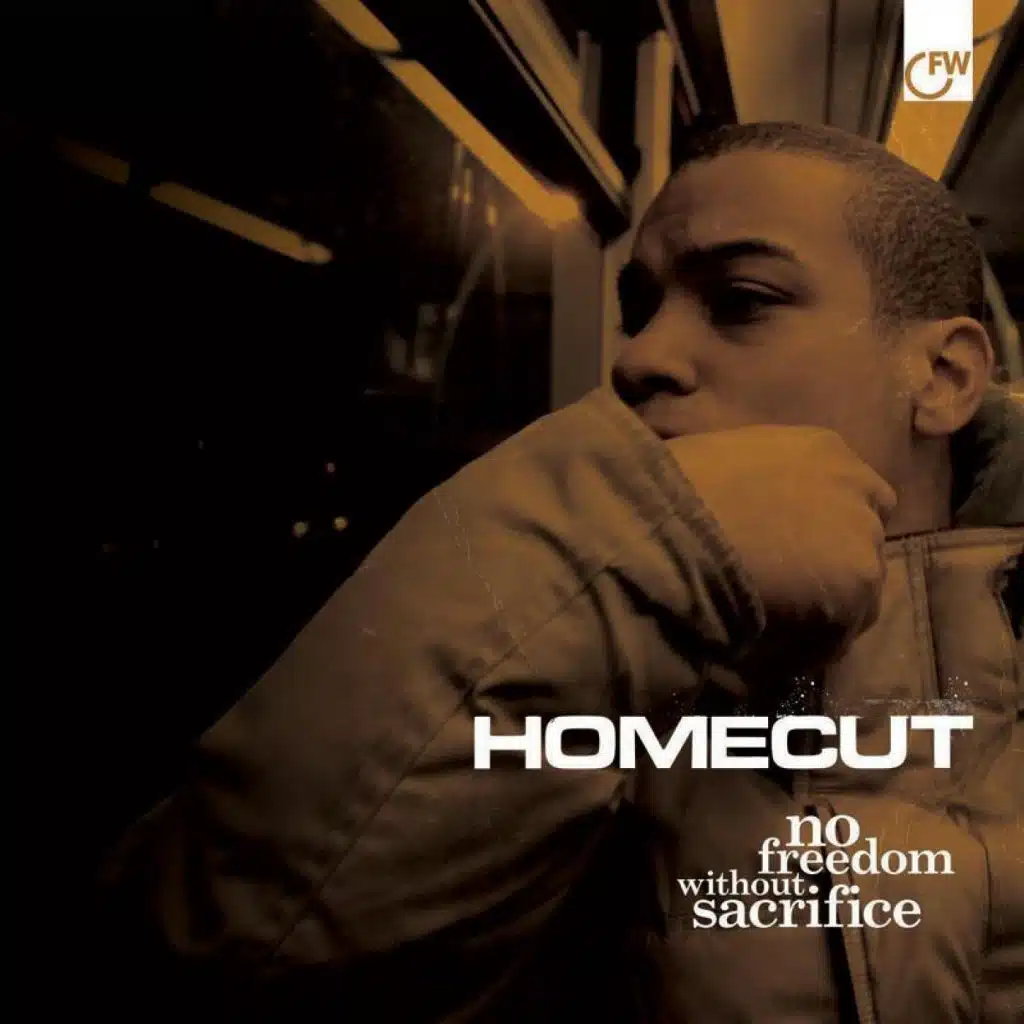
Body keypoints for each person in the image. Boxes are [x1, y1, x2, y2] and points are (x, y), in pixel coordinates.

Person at [93, 122, 1023, 1023]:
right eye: (639, 312)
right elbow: (233, 956)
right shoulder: (584, 693)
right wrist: (603, 550)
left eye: (741, 300)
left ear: (942, 379)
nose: (638, 358)